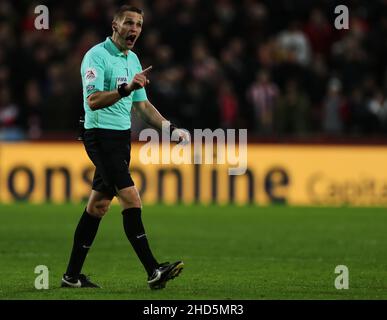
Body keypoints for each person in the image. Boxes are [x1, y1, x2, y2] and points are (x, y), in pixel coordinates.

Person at [61, 5, 189, 290]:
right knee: (131, 198)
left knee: (98, 205)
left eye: (139, 24)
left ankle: (71, 276)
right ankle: (154, 270)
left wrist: (170, 128)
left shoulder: (132, 60)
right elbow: (92, 101)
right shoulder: (96, 56)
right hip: (99, 134)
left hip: (120, 138)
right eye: (129, 22)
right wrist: (124, 89)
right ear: (115, 25)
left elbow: (142, 105)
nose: (134, 29)